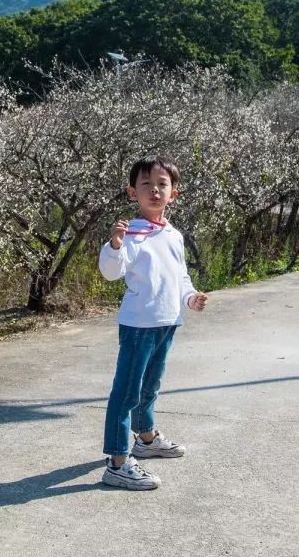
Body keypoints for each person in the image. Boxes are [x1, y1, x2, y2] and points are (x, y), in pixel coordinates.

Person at [97, 154, 208, 490]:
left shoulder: (173, 235)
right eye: (146, 184)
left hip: (167, 322)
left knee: (151, 385)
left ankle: (145, 438)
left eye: (162, 184)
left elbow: (180, 277)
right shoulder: (130, 234)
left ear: (173, 193)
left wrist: (190, 298)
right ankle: (117, 461)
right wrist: (114, 245)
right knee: (127, 392)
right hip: (138, 326)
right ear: (133, 193)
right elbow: (110, 272)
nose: (155, 190)